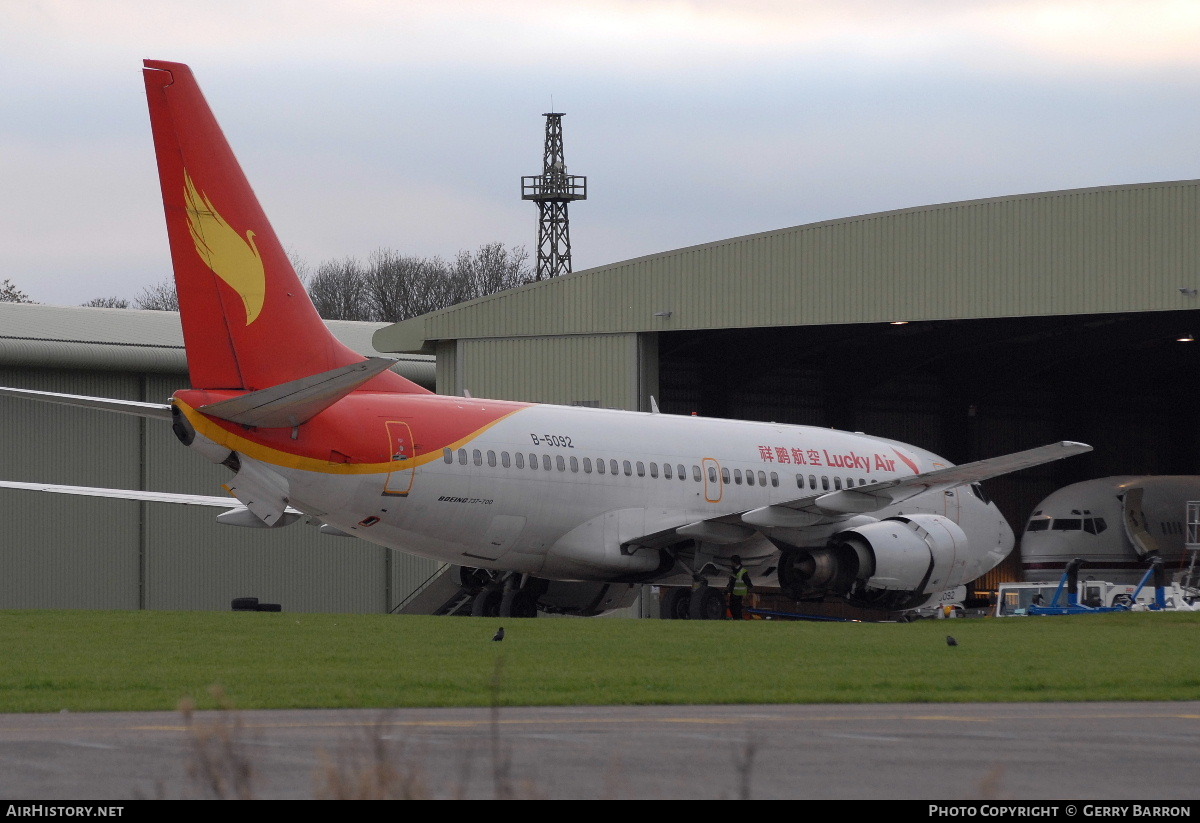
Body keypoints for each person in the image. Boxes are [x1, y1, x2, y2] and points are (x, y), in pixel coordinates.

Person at [726, 555, 752, 620]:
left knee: (736, 609)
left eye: (732, 562)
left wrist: (747, 592)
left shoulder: (741, 571)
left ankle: (738, 620)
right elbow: (733, 581)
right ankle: (737, 620)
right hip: (735, 592)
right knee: (733, 608)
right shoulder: (735, 570)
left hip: (738, 593)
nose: (731, 563)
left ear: (734, 562)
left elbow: (748, 582)